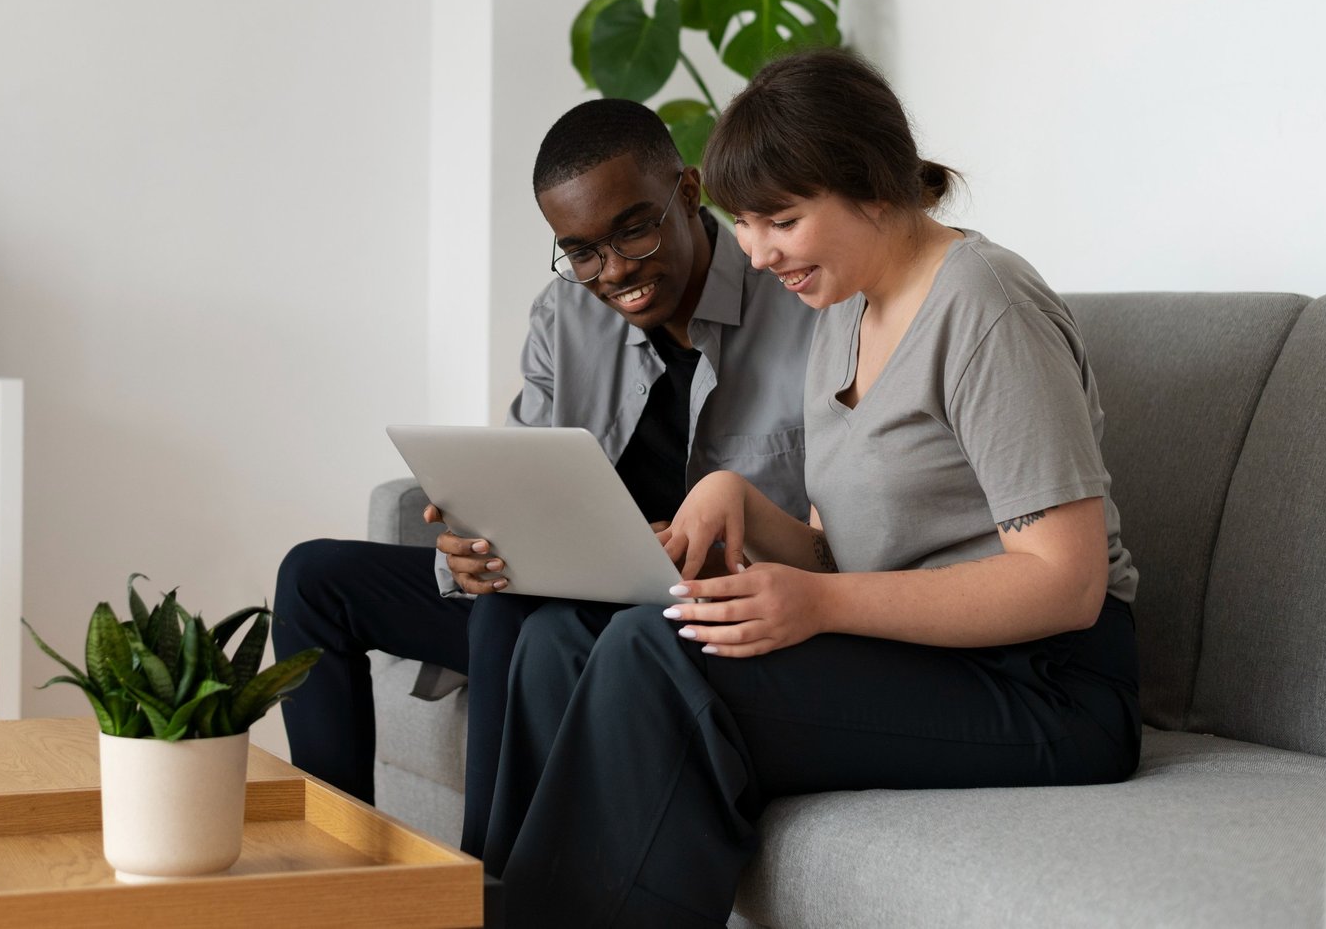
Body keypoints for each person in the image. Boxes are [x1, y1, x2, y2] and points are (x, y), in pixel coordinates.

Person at [483, 49, 1142, 927]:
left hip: (1049, 683)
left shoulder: (986, 306)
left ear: (871, 185)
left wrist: (820, 605)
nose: (757, 254)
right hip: (920, 656)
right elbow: (843, 551)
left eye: (782, 220)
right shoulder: (843, 312)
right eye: (746, 224)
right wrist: (741, 501)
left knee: (657, 652)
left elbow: (1066, 581)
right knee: (578, 632)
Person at [274, 98, 816, 858]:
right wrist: (469, 551)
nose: (614, 270)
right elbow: (519, 484)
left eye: (634, 230)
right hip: (561, 598)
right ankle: (332, 878)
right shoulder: (564, 315)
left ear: (689, 192)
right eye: (582, 251)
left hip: (684, 620)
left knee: (515, 611)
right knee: (314, 578)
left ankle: (483, 888)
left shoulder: (801, 309)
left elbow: (829, 538)